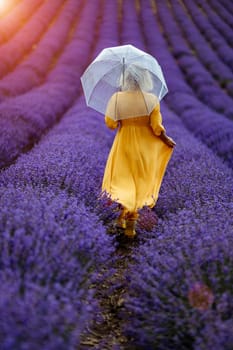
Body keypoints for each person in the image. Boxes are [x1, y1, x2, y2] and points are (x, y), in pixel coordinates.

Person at [101, 68, 176, 238]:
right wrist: (166, 140)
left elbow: (111, 124)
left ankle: (121, 218)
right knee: (139, 183)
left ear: (125, 79)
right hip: (145, 147)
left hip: (124, 143)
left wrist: (121, 115)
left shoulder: (116, 98)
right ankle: (130, 227)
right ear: (145, 80)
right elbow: (157, 128)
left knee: (122, 182)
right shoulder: (151, 99)